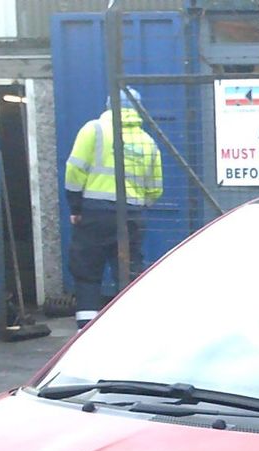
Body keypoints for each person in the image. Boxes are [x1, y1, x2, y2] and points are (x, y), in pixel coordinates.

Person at [64, 88, 164, 329]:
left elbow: (74, 171)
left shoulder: (94, 130)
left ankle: (85, 331)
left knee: (88, 273)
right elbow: (155, 188)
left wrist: (76, 207)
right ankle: (127, 329)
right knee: (128, 274)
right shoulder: (147, 141)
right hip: (131, 215)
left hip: (94, 213)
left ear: (109, 106)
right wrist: (138, 207)